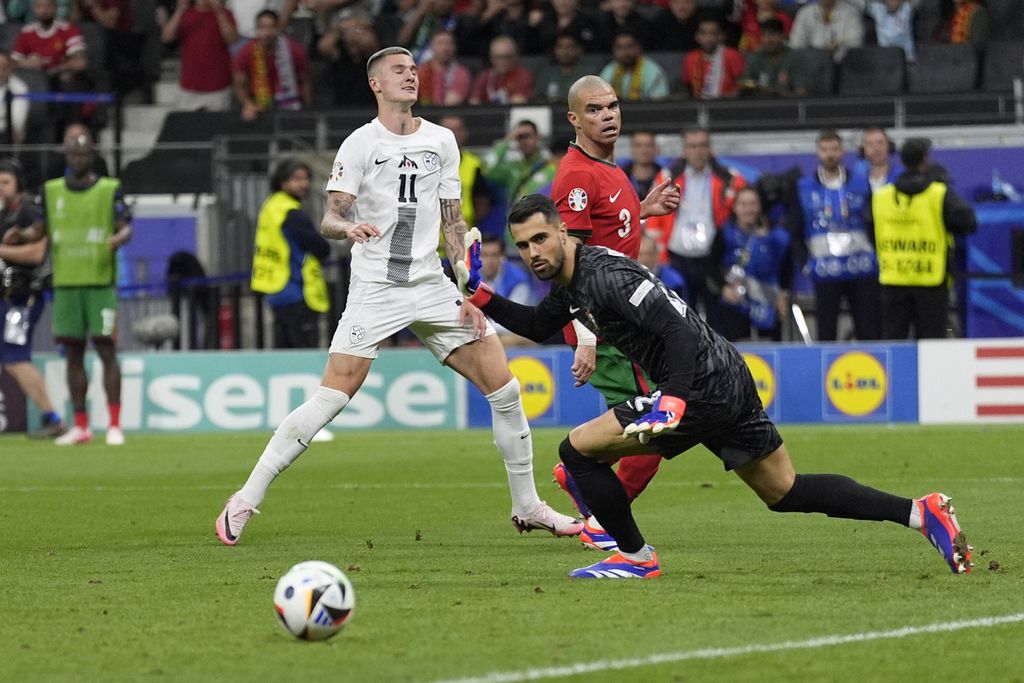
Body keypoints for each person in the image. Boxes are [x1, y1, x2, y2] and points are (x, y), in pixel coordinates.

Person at [466, 192, 973, 579]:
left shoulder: (606, 277)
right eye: (523, 246)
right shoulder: (572, 281)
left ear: (561, 231)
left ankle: (636, 557)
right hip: (727, 376)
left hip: (700, 385)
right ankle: (919, 513)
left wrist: (675, 397)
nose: (533, 252)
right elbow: (535, 324)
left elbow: (676, 329)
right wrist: (475, 290)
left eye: (540, 239)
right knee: (784, 491)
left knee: (577, 452)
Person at [215, 46, 581, 546]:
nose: (410, 76)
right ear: (376, 84)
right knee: (330, 398)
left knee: (506, 390)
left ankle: (528, 507)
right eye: (398, 71)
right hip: (376, 288)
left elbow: (453, 222)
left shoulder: (442, 141)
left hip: (431, 283)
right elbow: (328, 217)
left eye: (413, 69)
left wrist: (468, 288)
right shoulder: (359, 144)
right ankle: (244, 499)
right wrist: (348, 226)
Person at [548, 75, 681, 550]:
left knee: (649, 422)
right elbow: (572, 259)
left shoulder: (608, 167)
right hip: (606, 328)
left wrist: (642, 210)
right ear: (574, 119)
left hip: (625, 321)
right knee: (656, 425)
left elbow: (607, 231)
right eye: (595, 109)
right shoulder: (576, 176)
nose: (608, 115)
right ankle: (604, 520)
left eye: (613, 106)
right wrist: (585, 337)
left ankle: (584, 479)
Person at [39, 130, 132, 445]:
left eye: (83, 153)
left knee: (107, 350)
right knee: (73, 354)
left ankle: (115, 425)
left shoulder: (109, 189)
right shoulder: (50, 192)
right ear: (66, 156)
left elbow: (125, 227)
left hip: (99, 281)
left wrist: (119, 238)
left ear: (93, 156)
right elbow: (39, 230)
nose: (78, 159)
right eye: (72, 153)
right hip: (66, 282)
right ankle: (81, 426)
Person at [872, 137, 977, 340]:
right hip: (931, 280)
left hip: (894, 278)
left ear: (901, 162)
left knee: (895, 344)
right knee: (932, 346)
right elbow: (969, 222)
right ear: (925, 160)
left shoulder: (881, 196)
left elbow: (870, 228)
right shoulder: (939, 192)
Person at [645, 126, 747, 329]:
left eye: (702, 145)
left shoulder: (729, 178)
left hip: (714, 260)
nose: (698, 151)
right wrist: (660, 258)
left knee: (718, 321)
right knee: (679, 320)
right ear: (684, 150)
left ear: (710, 148)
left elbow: (741, 218)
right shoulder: (667, 178)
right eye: (692, 146)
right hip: (678, 259)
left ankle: (719, 360)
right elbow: (653, 220)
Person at [788, 129, 880, 342]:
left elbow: (874, 222)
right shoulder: (803, 187)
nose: (830, 154)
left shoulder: (861, 182)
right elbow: (796, 227)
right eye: (825, 149)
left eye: (835, 149)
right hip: (825, 270)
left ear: (843, 151)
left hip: (862, 269)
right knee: (826, 332)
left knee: (868, 329)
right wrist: (804, 262)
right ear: (818, 152)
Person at [0, 160, 68, 438]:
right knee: (12, 359)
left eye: (5, 182)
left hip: (22, 298)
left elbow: (38, 253)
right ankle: (49, 417)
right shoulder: (6, 212)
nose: (0, 188)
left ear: (18, 183)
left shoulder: (28, 209)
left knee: (16, 358)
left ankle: (52, 417)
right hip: (9, 297)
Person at [251, 159, 330, 349]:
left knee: (285, 353)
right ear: (282, 181)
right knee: (304, 353)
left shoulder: (270, 206)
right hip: (297, 289)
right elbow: (321, 248)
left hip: (276, 289)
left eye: (306, 179)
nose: (304, 184)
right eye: (297, 179)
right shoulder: (291, 212)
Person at [710, 186, 791, 341]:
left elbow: (786, 268)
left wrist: (783, 295)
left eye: (753, 204)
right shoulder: (725, 233)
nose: (749, 209)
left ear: (760, 206)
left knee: (770, 350)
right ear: (734, 207)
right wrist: (723, 288)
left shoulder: (777, 237)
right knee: (735, 351)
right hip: (735, 303)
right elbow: (710, 265)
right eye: (743, 204)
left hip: (768, 303)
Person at [231, 9, 311, 122]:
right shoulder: (246, 51)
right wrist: (248, 104)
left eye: (271, 27)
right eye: (262, 27)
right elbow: (239, 84)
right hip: (258, 105)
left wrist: (307, 113)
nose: (267, 33)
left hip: (289, 105)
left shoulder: (294, 50)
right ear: (256, 29)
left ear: (278, 28)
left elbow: (304, 81)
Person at [161, 0, 239, 111]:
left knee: (218, 126)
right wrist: (179, 11)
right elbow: (166, 37)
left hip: (219, 85)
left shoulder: (225, 13)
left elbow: (231, 39)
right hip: (190, 86)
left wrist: (219, 12)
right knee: (189, 126)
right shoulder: (186, 14)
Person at [483, 120, 554, 208]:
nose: (524, 141)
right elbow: (487, 169)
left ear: (536, 138)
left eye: (527, 136)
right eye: (520, 137)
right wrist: (507, 140)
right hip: (516, 220)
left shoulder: (550, 168)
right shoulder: (512, 168)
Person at [680, 17, 745, 100]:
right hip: (698, 106)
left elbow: (742, 88)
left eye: (713, 33)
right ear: (697, 37)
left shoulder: (732, 55)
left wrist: (719, 98)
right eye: (704, 33)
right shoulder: (690, 58)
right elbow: (687, 87)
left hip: (727, 105)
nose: (708, 38)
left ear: (722, 36)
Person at [599, 30, 669, 102]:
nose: (625, 52)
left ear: (639, 48)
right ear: (614, 50)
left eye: (630, 46)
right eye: (620, 47)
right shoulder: (609, 71)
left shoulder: (653, 71)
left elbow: (659, 102)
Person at [788, 0, 864, 62]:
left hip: (841, 64)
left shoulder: (850, 13)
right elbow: (796, 43)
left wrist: (838, 47)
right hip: (811, 64)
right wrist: (815, 55)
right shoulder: (805, 13)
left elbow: (855, 42)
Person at [739, 18, 797, 97]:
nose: (768, 39)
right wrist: (756, 86)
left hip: (789, 105)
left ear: (783, 36)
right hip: (759, 105)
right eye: (764, 35)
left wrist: (774, 92)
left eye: (772, 34)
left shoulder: (794, 56)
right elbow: (745, 83)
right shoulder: (754, 57)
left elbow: (802, 92)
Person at [469, 35, 534, 105]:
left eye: (506, 57)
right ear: (491, 58)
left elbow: (518, 102)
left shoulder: (523, 77)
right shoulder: (484, 77)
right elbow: (474, 101)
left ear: (515, 56)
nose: (502, 61)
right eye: (498, 57)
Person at [416, 30, 472, 106]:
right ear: (431, 46)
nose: (445, 48)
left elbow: (450, 104)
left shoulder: (461, 73)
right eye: (440, 43)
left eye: (449, 44)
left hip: (448, 115)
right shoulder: (419, 71)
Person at [534, 32, 590, 105]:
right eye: (560, 47)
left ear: (578, 49)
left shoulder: (586, 75)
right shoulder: (547, 74)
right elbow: (538, 98)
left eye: (569, 47)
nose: (564, 51)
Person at [853, 126, 901, 192]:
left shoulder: (900, 175)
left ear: (888, 145)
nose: (876, 148)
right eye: (870, 144)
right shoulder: (854, 176)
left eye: (880, 143)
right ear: (863, 149)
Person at [621, 130, 661, 200]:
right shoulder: (620, 177)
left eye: (649, 145)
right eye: (638, 145)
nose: (644, 150)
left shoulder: (665, 176)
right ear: (632, 149)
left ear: (655, 149)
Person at [0, 52, 29, 145]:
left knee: (13, 131)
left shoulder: (20, 88)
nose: (0, 72)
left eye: (3, 68)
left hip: (8, 133)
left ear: (10, 69)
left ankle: (9, 159)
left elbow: (17, 121)